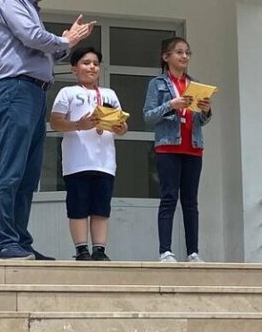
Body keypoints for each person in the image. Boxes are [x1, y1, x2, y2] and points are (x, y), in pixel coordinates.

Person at [0, 0, 94, 260]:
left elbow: (50, 52)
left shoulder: (33, 11)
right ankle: (4, 242)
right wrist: (64, 39)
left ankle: (20, 241)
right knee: (11, 171)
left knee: (27, 174)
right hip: (16, 89)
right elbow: (33, 38)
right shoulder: (11, 2)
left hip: (34, 93)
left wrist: (65, 42)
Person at [50, 47, 128, 261]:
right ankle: (81, 249)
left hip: (105, 162)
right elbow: (55, 122)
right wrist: (79, 125)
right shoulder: (67, 93)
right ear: (74, 68)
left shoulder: (109, 94)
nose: (91, 67)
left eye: (95, 63)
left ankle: (99, 250)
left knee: (101, 207)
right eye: (86, 63)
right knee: (78, 206)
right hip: (77, 161)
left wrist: (119, 128)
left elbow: (122, 126)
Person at [143, 37, 212, 263]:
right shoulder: (158, 84)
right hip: (168, 146)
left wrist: (206, 111)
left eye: (187, 53)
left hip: (193, 147)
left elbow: (200, 121)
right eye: (179, 52)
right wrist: (170, 105)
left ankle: (193, 252)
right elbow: (148, 117)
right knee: (169, 197)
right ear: (166, 57)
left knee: (191, 201)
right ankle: (165, 251)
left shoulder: (195, 84)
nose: (184, 57)